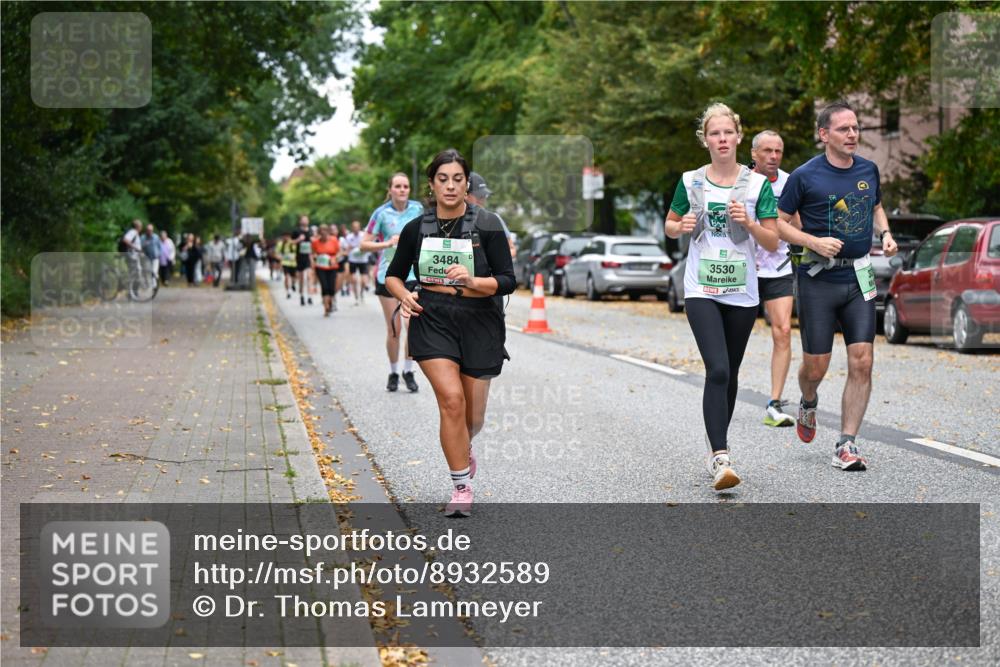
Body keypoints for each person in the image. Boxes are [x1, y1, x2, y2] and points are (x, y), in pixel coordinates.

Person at [386, 149, 515, 517]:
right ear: (431, 184)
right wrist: (404, 295)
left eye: (458, 179)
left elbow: (508, 280)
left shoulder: (487, 224)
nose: (451, 185)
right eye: (443, 179)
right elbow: (392, 275)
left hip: (480, 320)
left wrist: (474, 280)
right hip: (433, 317)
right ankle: (461, 487)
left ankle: (464, 445)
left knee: (472, 418)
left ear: (466, 183)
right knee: (451, 401)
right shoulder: (416, 228)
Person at [775, 101, 897, 471]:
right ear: (824, 134)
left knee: (862, 360)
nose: (852, 134)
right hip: (818, 280)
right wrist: (812, 241)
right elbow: (779, 223)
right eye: (844, 129)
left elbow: (875, 206)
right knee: (816, 366)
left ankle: (846, 444)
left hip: (858, 277)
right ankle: (808, 400)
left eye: (856, 128)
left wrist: (886, 233)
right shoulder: (804, 175)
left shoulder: (868, 169)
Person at [664, 103, 780, 491]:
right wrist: (680, 226)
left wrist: (748, 222)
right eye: (715, 133)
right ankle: (721, 455)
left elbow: (772, 238)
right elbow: (669, 225)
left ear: (738, 136)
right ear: (706, 140)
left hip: (742, 292)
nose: (722, 139)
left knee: (728, 372)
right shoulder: (691, 180)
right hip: (701, 289)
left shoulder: (757, 184)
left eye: (728, 132)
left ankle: (718, 448)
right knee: (716, 369)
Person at [361, 173, 425, 393]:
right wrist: (387, 243)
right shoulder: (381, 213)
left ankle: (409, 371)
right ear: (390, 189)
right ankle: (393, 372)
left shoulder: (418, 210)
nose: (402, 190)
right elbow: (364, 244)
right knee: (394, 329)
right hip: (387, 277)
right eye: (398, 186)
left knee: (412, 326)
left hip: (413, 277)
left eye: (406, 186)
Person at [751, 131, 796, 427]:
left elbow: (799, 220)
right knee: (734, 335)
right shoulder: (742, 180)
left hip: (778, 266)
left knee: (782, 331)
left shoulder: (791, 182)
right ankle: (723, 387)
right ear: (754, 153)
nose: (773, 156)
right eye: (767, 151)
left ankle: (774, 402)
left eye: (778, 151)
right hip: (743, 268)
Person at [466, 172, 516, 259]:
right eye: (479, 195)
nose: (483, 199)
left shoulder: (493, 219)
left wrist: (493, 262)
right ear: (465, 195)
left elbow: (512, 249)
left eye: (485, 195)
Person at [311, 224, 341, 316]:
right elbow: (313, 254)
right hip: (320, 267)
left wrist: (334, 259)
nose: (323, 233)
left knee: (331, 287)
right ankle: (326, 308)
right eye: (321, 231)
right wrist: (315, 256)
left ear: (328, 232)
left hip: (332, 267)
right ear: (319, 233)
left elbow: (339, 252)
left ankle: (330, 301)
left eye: (325, 231)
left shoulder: (334, 240)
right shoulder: (315, 242)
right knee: (324, 286)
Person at [344, 220, 370, 305]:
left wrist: (362, 247)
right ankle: (356, 297)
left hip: (363, 259)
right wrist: (348, 249)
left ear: (359, 227)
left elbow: (368, 244)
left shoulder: (363, 235)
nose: (355, 228)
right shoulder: (349, 237)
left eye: (357, 227)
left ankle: (362, 292)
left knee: (363, 280)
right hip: (353, 260)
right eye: (354, 227)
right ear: (352, 228)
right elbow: (346, 249)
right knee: (354, 279)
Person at [290, 215, 314, 306]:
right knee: (301, 278)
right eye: (303, 219)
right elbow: (291, 242)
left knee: (309, 276)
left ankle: (310, 297)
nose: (305, 221)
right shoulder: (296, 231)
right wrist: (298, 240)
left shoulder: (310, 231)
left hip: (308, 256)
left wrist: (313, 240)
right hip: (300, 256)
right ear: (300, 221)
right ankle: (302, 296)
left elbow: (314, 243)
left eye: (306, 219)